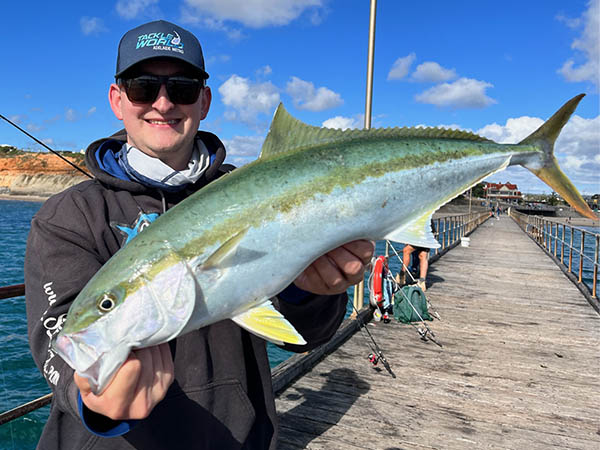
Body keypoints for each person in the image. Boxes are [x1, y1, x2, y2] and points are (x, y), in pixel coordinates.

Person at [25, 20, 374, 450]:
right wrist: (90, 399)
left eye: (183, 88)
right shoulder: (69, 215)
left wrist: (312, 293)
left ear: (204, 101)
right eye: (142, 87)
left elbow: (305, 335)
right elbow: (58, 336)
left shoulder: (261, 191)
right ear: (118, 100)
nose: (163, 102)